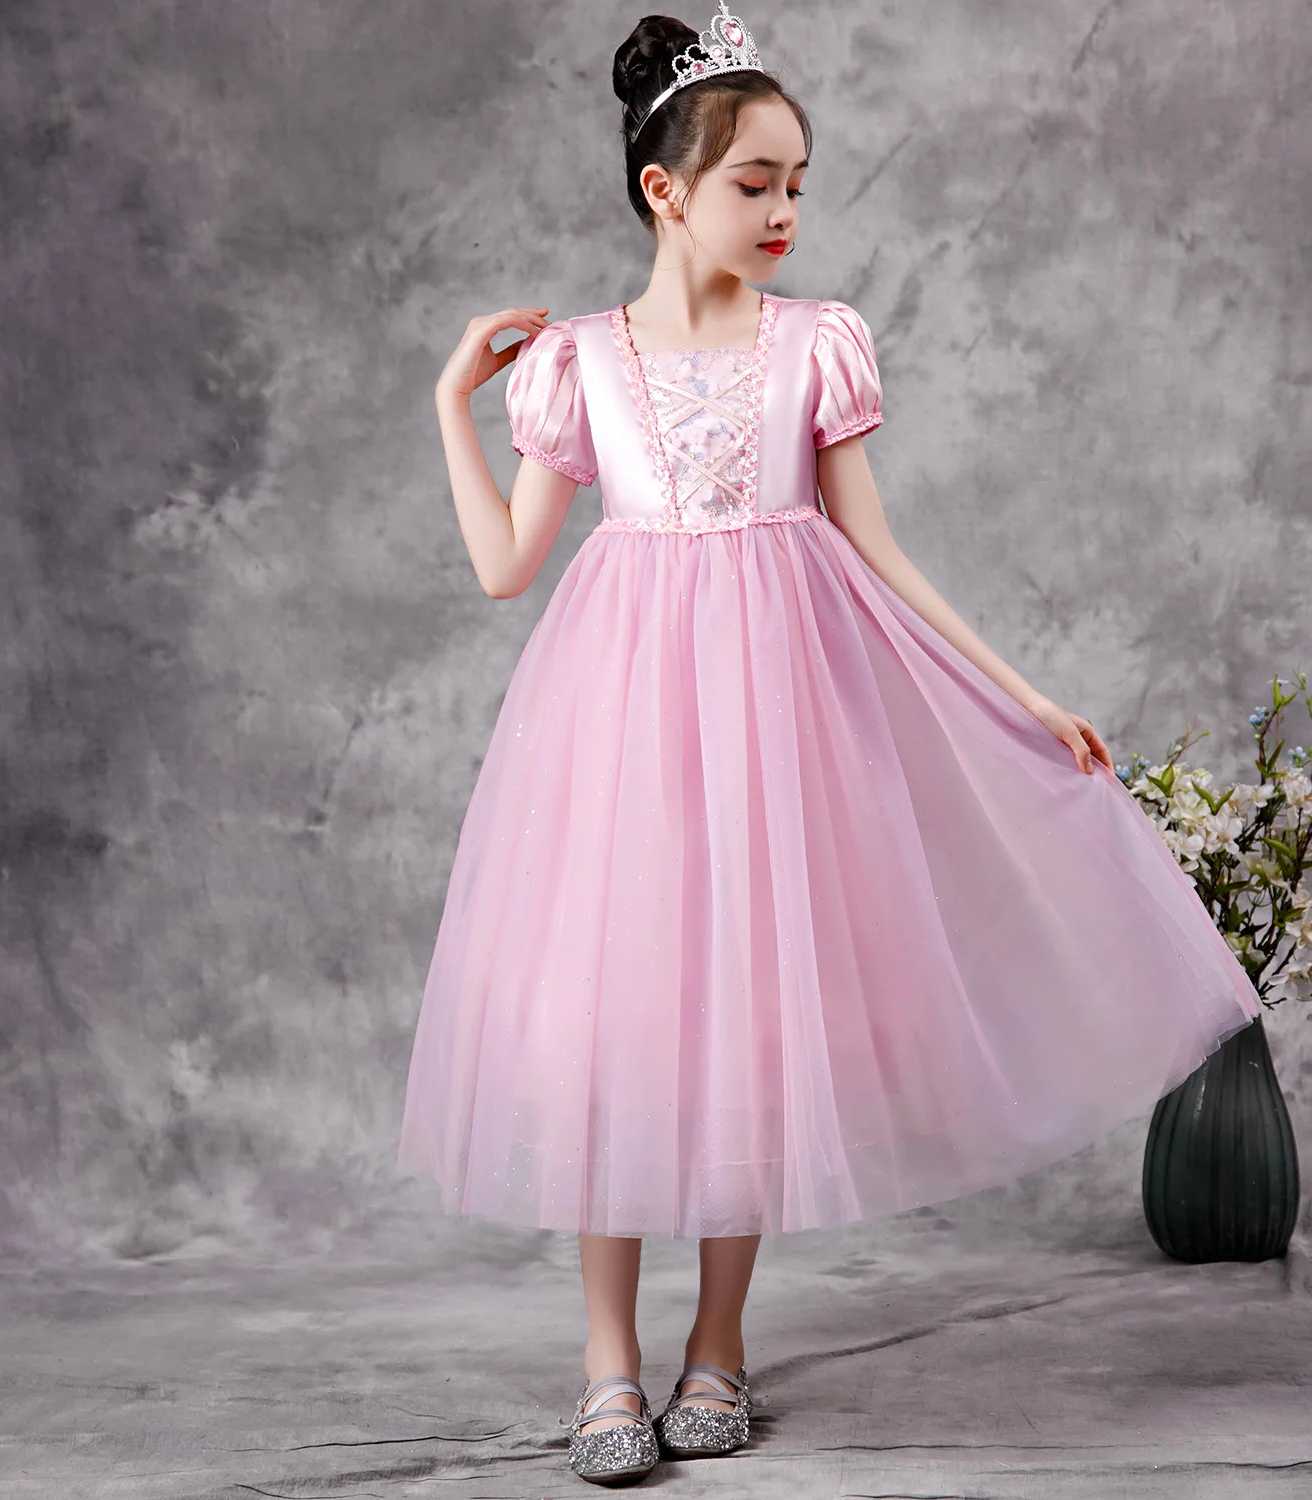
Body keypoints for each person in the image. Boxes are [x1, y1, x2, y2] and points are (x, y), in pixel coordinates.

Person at [397, 3, 1263, 1486]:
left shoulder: (818, 345)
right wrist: (446, 406)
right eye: (756, 182)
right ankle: (606, 1360)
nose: (786, 209)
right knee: (619, 1024)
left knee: (750, 1019)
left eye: (799, 182)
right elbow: (503, 569)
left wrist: (1021, 692)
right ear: (668, 190)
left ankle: (716, 1340)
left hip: (777, 720)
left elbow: (878, 549)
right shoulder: (578, 362)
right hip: (620, 729)